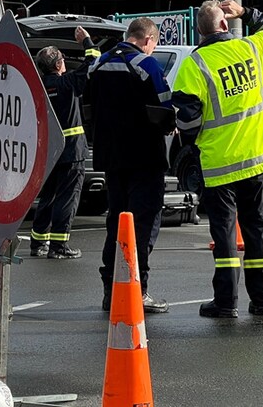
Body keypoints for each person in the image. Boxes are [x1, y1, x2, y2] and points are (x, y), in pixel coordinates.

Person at [173, 0, 263, 319]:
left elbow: (187, 121)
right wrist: (246, 12)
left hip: (220, 164)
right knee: (258, 229)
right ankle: (262, 300)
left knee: (223, 235)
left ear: (200, 31)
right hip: (258, 158)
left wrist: (195, 141)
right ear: (225, 25)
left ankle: (226, 302)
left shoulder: (195, 65)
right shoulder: (252, 48)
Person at [86, 17, 174, 314]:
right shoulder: (146, 65)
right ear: (149, 39)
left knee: (117, 223)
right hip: (144, 157)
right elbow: (165, 108)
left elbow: (88, 106)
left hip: (111, 157)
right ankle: (139, 289)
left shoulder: (99, 65)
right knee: (143, 223)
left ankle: (111, 290)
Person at [29, 26, 99, 260]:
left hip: (48, 152)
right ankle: (59, 245)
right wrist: (87, 41)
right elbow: (94, 62)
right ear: (59, 64)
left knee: (47, 196)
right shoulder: (68, 83)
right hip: (72, 152)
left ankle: (38, 242)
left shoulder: (36, 89)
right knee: (67, 198)